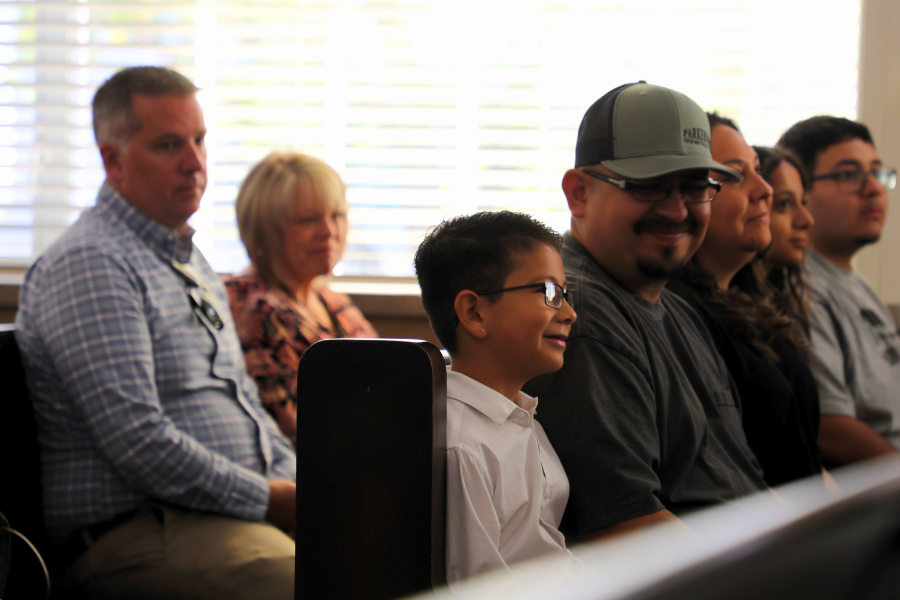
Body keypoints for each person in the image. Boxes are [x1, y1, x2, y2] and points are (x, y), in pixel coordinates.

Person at [14, 66, 297, 599]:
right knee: (324, 579)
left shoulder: (187, 258)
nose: (195, 163)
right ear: (112, 159)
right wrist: (272, 498)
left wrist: (303, 486)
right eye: (169, 145)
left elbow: (245, 408)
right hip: (138, 531)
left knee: (389, 547)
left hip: (223, 516)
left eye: (199, 140)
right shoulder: (91, 264)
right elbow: (139, 442)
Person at [524, 82, 768, 543]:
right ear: (579, 194)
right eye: (650, 185)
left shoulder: (677, 308)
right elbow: (626, 531)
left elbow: (742, 479)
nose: (676, 210)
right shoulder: (580, 318)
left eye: (696, 186)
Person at [413, 210, 578, 584]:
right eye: (549, 292)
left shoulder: (520, 416)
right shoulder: (460, 446)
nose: (570, 312)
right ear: (474, 312)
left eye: (565, 294)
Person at [668, 116, 822, 487]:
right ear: (687, 195)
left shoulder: (748, 304)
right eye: (734, 175)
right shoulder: (679, 317)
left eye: (757, 170)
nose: (764, 190)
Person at [225, 151, 377, 446]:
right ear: (266, 229)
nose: (329, 232)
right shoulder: (251, 306)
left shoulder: (333, 301)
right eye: (308, 220)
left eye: (337, 216)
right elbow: (287, 428)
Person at [779, 116, 900, 464]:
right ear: (801, 191)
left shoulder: (853, 281)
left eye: (876, 172)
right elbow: (829, 427)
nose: (873, 188)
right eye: (849, 174)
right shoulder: (803, 289)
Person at [754, 145, 814, 336]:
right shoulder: (736, 316)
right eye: (784, 204)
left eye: (803, 203)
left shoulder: (789, 300)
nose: (806, 220)